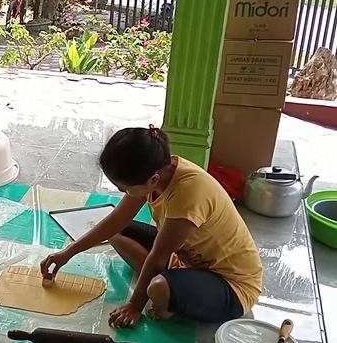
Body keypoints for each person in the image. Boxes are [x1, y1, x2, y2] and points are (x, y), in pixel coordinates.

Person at [40, 125, 263, 328]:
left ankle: (172, 294)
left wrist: (134, 306)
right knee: (116, 233)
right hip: (187, 259)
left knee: (157, 288)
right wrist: (67, 253)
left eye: (124, 188)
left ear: (152, 180)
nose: (122, 193)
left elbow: (157, 256)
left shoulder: (188, 192)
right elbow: (116, 220)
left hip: (232, 284)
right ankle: (179, 282)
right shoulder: (157, 169)